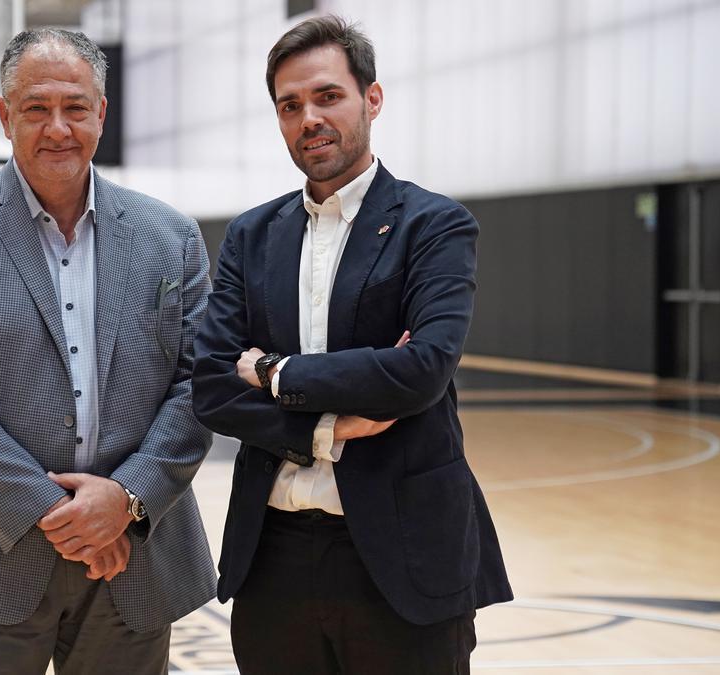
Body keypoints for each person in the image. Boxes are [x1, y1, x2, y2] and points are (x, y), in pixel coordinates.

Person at [0, 28, 215, 675]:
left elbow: (200, 385)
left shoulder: (170, 236)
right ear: (6, 116)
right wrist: (63, 515)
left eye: (75, 106)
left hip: (132, 555)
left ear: (101, 114)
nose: (58, 126)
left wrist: (125, 499)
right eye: (36, 107)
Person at [191, 15, 512, 674]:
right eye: (290, 105)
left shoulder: (435, 225)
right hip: (272, 555)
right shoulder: (251, 237)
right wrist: (329, 428)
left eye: (327, 96)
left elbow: (420, 370)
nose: (309, 116)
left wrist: (274, 371)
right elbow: (213, 386)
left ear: (371, 99)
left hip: (403, 556)